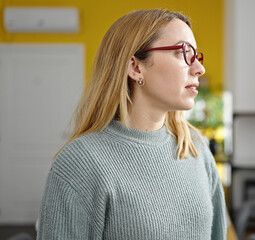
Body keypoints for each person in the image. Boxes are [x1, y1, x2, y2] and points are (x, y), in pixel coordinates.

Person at [37, 9, 227, 240]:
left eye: (196, 55)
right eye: (182, 52)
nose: (199, 68)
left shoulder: (196, 149)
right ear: (136, 67)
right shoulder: (80, 164)